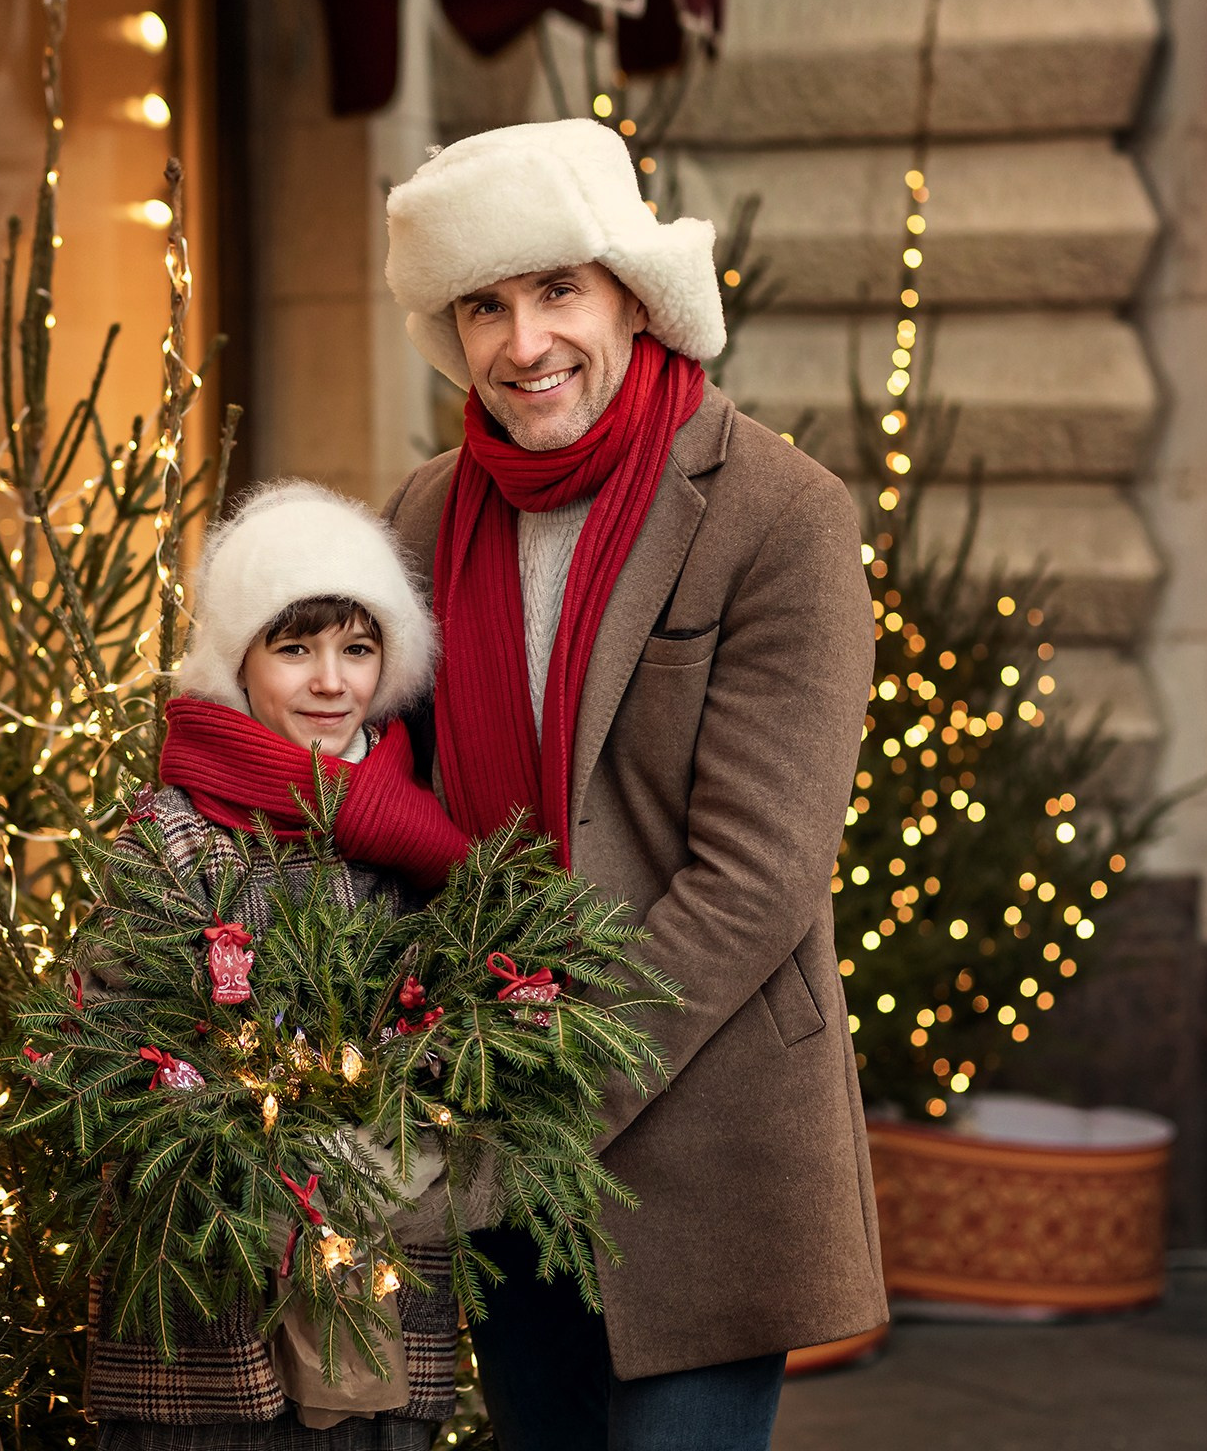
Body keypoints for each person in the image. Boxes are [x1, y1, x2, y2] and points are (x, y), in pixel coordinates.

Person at [380, 118, 885, 1451]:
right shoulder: (426, 518)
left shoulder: (778, 513)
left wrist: (550, 1091)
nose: (523, 341)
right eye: (485, 305)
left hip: (700, 1130)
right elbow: (382, 799)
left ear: (632, 296)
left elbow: (759, 879)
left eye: (557, 291)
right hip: (488, 1136)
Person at [90, 482, 470, 1451]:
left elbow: (460, 1025)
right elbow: (108, 1039)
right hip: (212, 1318)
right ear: (239, 662)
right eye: (292, 649)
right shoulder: (174, 838)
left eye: (355, 648)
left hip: (380, 1302)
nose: (328, 682)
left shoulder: (419, 838)